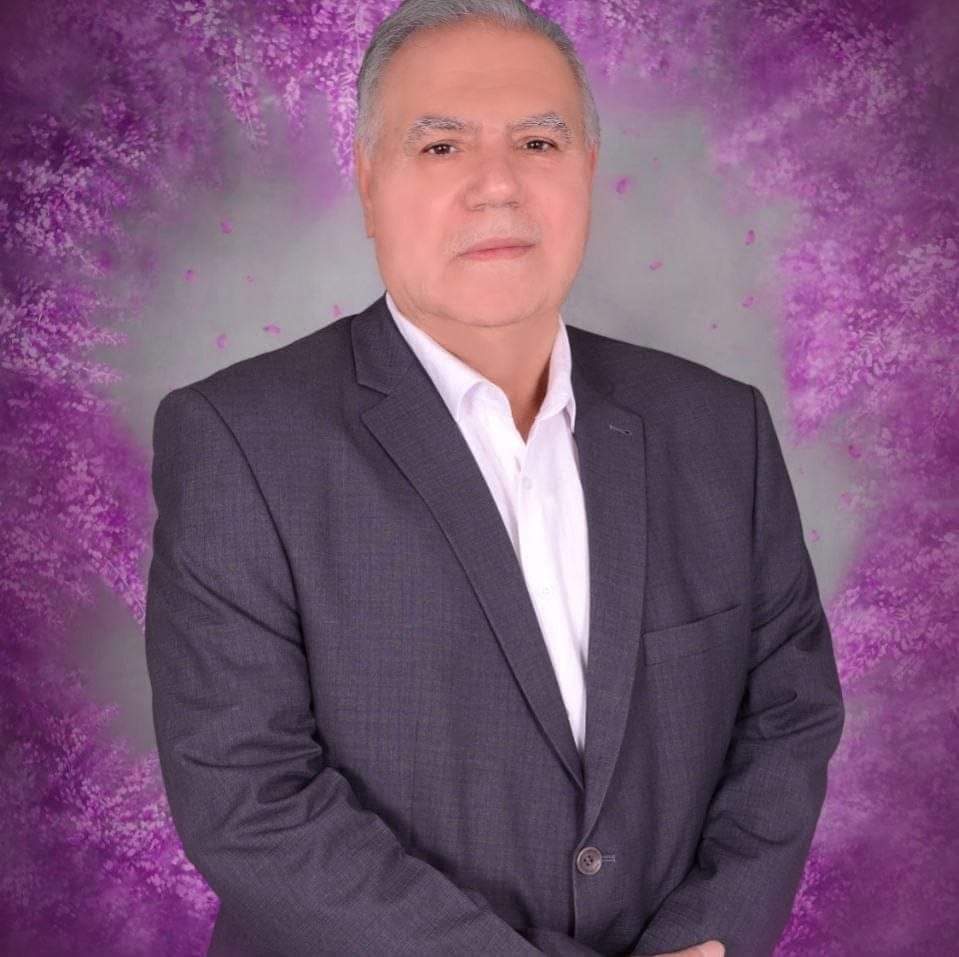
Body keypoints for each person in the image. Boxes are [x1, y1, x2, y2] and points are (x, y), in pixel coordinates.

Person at [144, 1, 845, 955]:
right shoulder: (239, 439)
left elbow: (788, 718)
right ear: (367, 181)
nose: (497, 185)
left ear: (587, 168)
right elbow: (249, 798)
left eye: (538, 142)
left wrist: (708, 940)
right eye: (440, 147)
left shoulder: (720, 430)